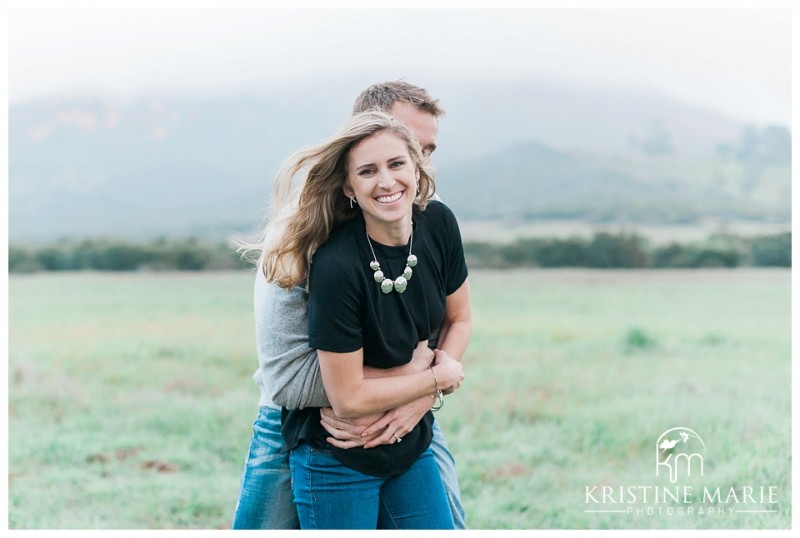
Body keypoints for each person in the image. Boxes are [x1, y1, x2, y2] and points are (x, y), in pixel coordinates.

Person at [232, 82, 467, 529]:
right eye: (410, 146)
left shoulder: (428, 219)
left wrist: (420, 397)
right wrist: (418, 379)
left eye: (423, 152)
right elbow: (287, 381)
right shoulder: (301, 240)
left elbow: (445, 327)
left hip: (406, 418)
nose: (416, 167)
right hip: (306, 423)